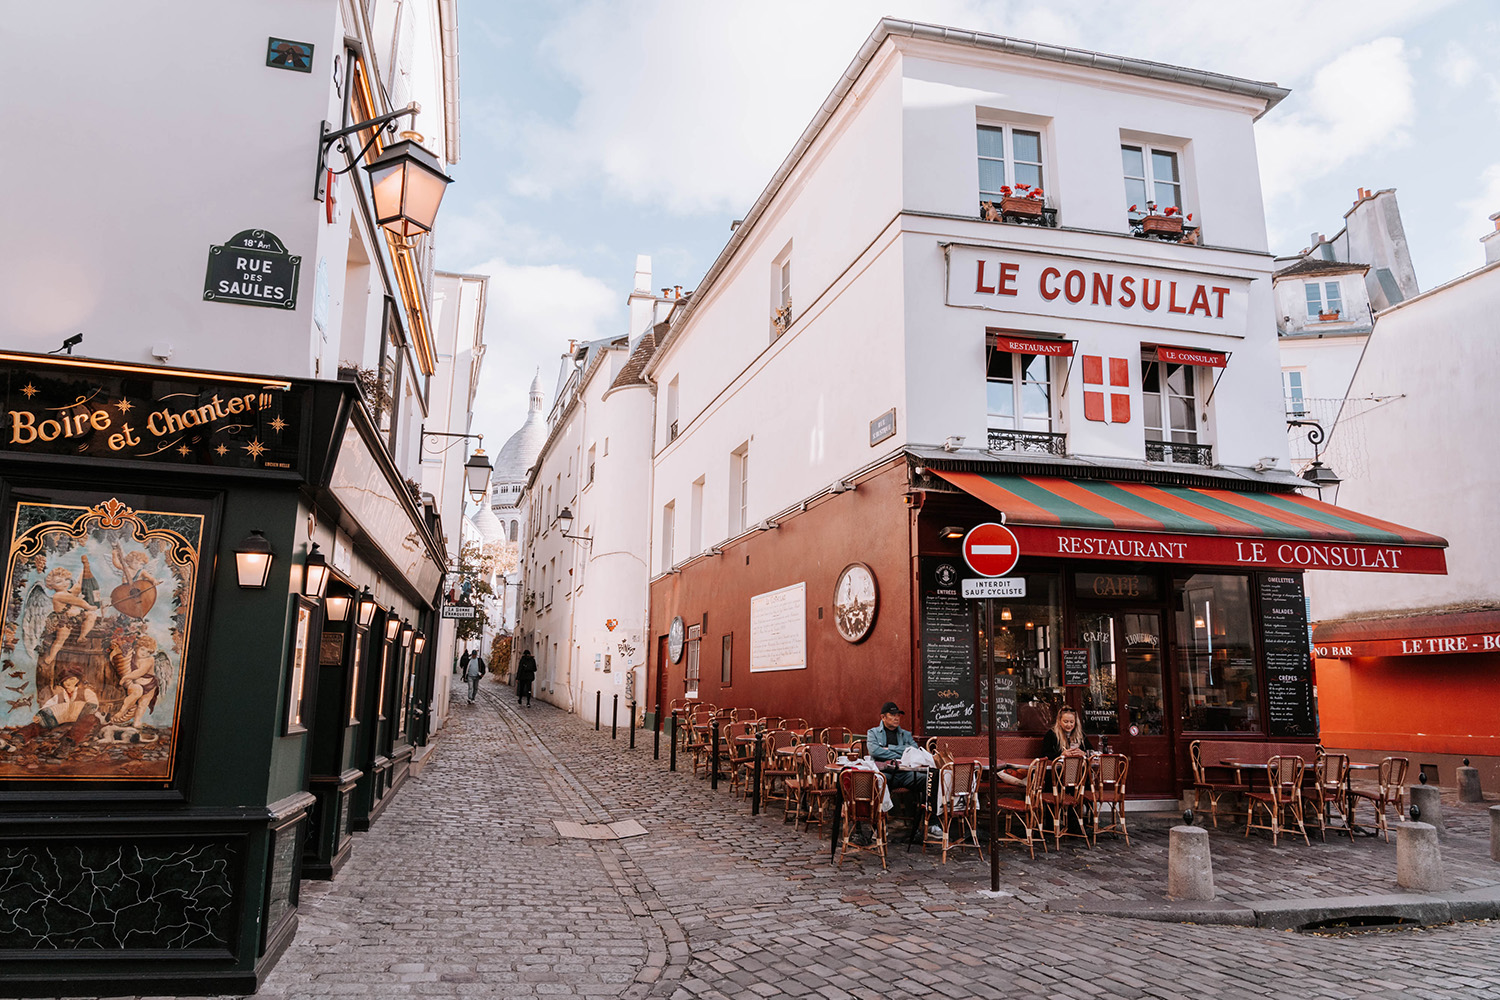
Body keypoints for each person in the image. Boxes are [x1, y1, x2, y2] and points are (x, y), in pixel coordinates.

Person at [866, 702, 943, 840]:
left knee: (931, 780)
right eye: (892, 715)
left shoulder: (905, 734)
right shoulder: (873, 733)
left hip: (906, 773)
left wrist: (888, 749)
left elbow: (913, 752)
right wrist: (901, 751)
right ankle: (880, 826)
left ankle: (932, 824)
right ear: (883, 717)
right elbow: (874, 751)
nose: (896, 718)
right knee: (878, 782)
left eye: (898, 715)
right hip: (886, 773)